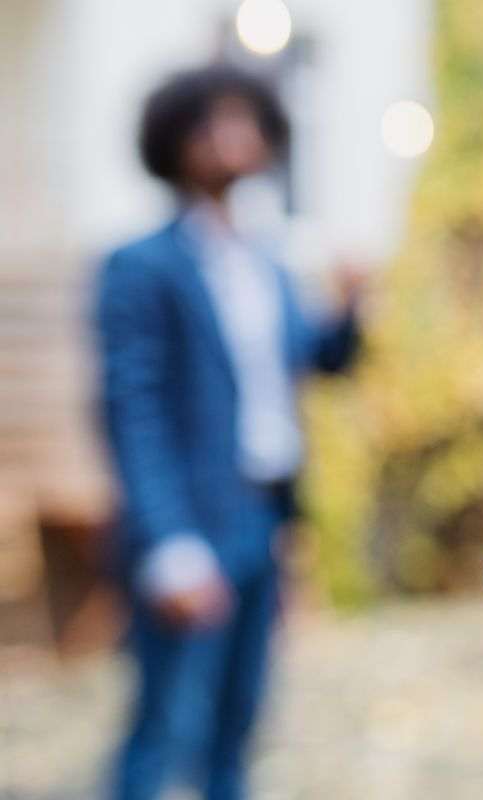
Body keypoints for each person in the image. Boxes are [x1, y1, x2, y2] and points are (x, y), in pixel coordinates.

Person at [94, 64, 362, 800]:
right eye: (211, 121)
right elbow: (132, 410)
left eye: (244, 119)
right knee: (163, 727)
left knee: (238, 726)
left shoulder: (269, 264)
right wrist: (170, 544)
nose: (231, 136)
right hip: (192, 525)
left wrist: (353, 309)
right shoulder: (140, 265)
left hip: (264, 518)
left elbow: (317, 361)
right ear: (175, 138)